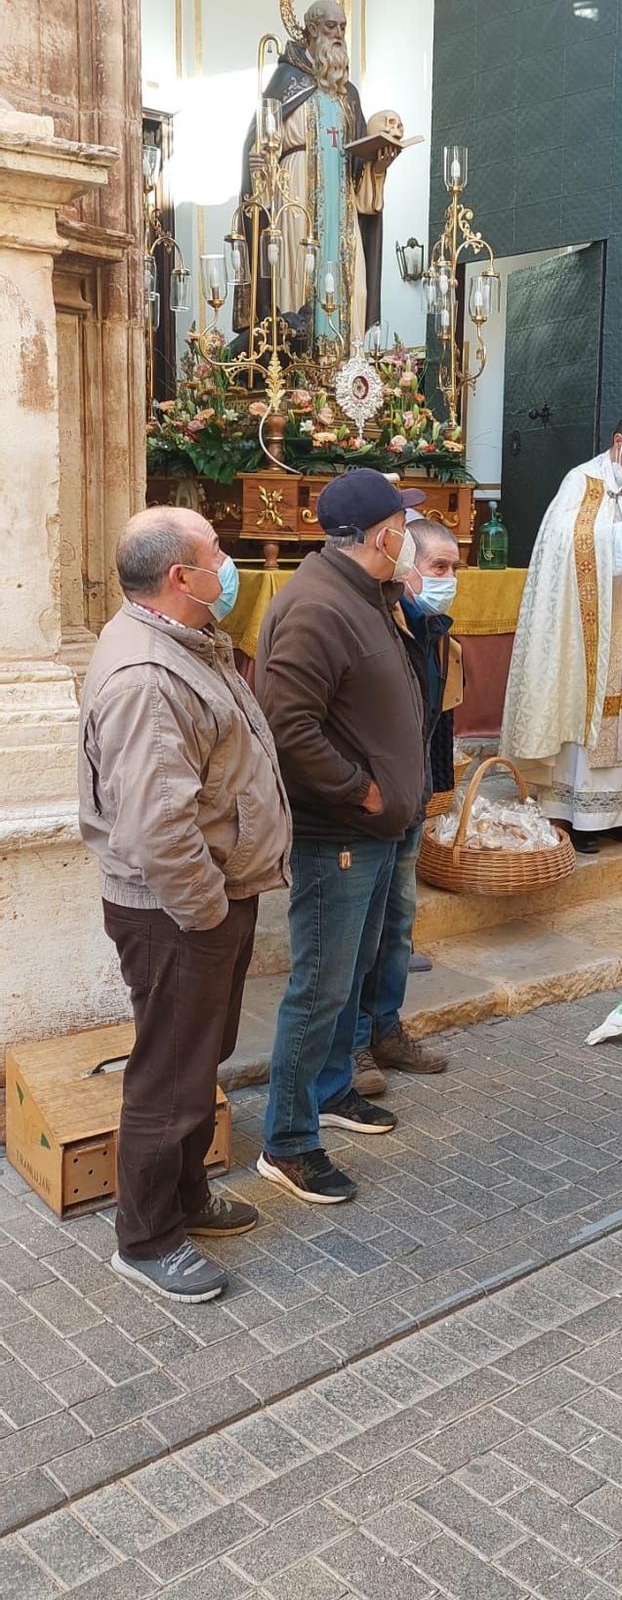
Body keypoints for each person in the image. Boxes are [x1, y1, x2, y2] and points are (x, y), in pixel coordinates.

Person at [78, 508, 292, 1304]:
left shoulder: (178, 644)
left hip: (209, 899)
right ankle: (145, 1239)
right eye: (216, 554)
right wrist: (206, 912)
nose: (226, 565)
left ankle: (186, 1197)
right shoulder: (145, 676)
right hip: (178, 910)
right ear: (180, 577)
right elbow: (158, 825)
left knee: (199, 1057)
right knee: (168, 1073)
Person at [254, 469, 426, 1206]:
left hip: (376, 827)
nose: (409, 533)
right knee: (319, 990)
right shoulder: (317, 604)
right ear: (381, 533)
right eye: (403, 523)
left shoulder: (364, 592)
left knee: (350, 976)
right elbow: (286, 724)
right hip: (340, 831)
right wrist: (362, 789)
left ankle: (329, 1094)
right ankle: (287, 1144)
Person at [501, 408, 622, 852]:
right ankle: (580, 816)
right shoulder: (580, 481)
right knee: (588, 709)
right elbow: (559, 540)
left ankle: (621, 815)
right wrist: (618, 536)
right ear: (618, 441)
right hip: (585, 624)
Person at [354, 518, 463, 1098]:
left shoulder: (433, 627)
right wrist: (365, 792)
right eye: (437, 567)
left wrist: (426, 790)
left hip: (410, 798)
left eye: (454, 568)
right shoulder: (375, 623)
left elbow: (433, 719)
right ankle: (350, 1047)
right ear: (404, 564)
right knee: (359, 932)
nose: (448, 579)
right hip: (369, 803)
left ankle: (385, 1028)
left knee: (397, 925)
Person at [238, 0, 401, 344]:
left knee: (349, 278)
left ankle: (346, 361)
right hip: (296, 195)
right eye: (331, 26)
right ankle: (298, 361)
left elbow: (361, 166)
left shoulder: (349, 95)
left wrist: (378, 167)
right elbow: (264, 141)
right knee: (298, 276)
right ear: (312, 30)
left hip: (341, 202)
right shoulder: (286, 80)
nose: (339, 33)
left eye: (343, 27)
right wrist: (259, 167)